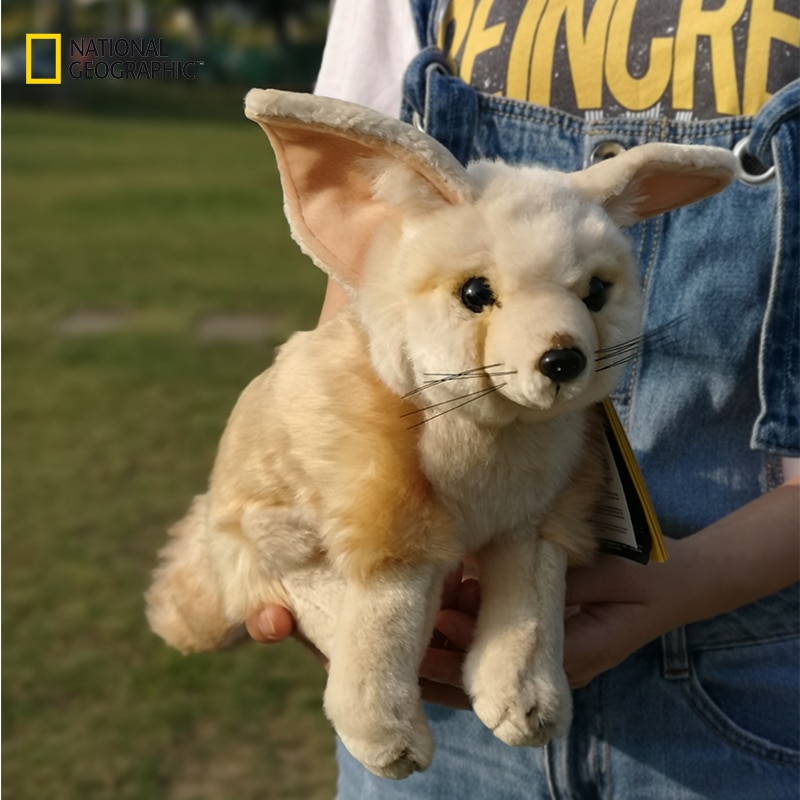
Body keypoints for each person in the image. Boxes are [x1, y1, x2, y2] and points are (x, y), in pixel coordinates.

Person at [248, 1, 800, 797]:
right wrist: (323, 553)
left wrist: (690, 583)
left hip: (750, 702)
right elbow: (368, 293)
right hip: (440, 711)